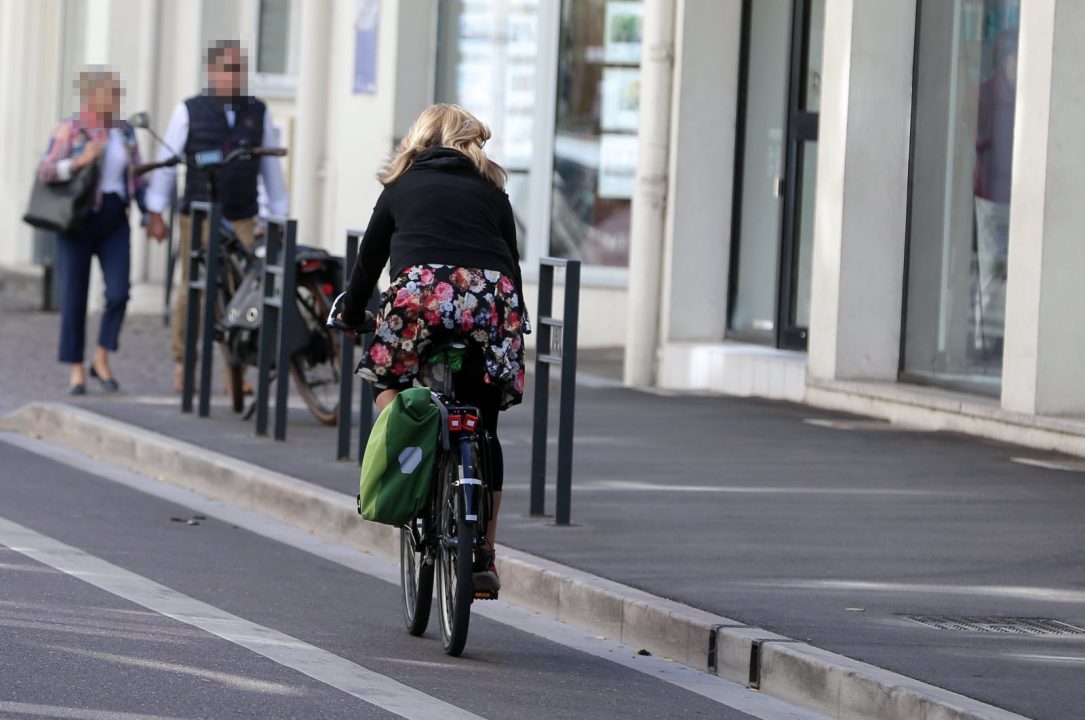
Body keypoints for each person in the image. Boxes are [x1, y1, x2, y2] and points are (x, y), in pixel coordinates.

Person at [339, 104, 529, 592]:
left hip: (422, 297)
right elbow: (510, 263)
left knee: (384, 375)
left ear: (418, 139)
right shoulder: (493, 190)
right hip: (490, 300)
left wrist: (353, 313)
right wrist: (513, 318)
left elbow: (368, 263)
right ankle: (485, 552)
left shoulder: (400, 186)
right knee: (485, 425)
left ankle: (414, 445)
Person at [144, 40, 288, 391]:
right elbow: (166, 164)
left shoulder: (258, 111)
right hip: (200, 214)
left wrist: (278, 214)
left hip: (242, 213)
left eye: (240, 70)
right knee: (193, 290)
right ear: (212, 72)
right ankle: (185, 364)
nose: (235, 77)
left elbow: (270, 168)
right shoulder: (189, 110)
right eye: (228, 70)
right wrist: (155, 211)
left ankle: (236, 370)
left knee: (243, 290)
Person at [37, 69, 145, 395]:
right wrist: (78, 161)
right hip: (77, 220)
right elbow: (45, 170)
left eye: (118, 93)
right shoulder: (70, 128)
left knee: (119, 293)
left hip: (114, 217)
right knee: (74, 296)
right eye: (111, 93)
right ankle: (76, 369)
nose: (116, 99)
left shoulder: (124, 131)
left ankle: (101, 356)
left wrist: (151, 214)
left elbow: (137, 176)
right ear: (91, 96)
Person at [973, 30, 1017, 353]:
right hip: (991, 197)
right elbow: (974, 137)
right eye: (1014, 57)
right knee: (991, 271)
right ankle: (984, 340)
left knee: (1012, 271)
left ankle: (1004, 338)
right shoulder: (987, 93)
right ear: (1005, 60)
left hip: (1017, 196)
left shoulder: (1026, 93)